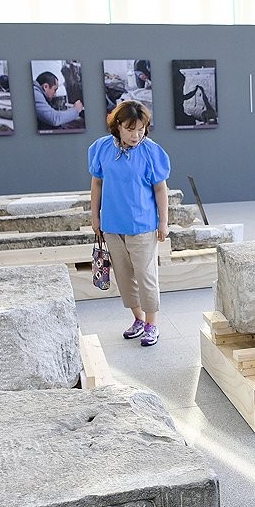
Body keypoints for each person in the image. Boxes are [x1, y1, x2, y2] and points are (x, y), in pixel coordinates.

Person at [89, 101, 170, 347]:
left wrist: (163, 222)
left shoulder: (151, 152)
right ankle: (138, 319)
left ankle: (152, 324)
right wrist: (95, 217)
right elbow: (97, 184)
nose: (136, 135)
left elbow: (160, 189)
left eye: (141, 129)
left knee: (146, 277)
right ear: (117, 127)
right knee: (124, 278)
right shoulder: (102, 148)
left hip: (143, 226)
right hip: (112, 226)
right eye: (130, 129)